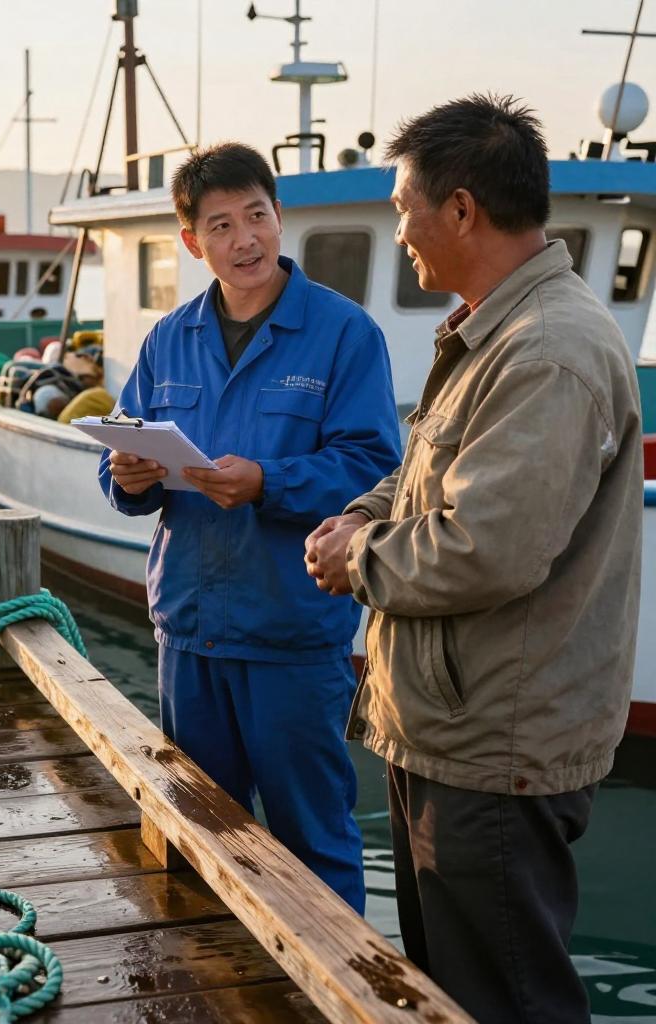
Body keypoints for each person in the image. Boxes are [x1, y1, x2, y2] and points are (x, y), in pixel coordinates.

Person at [305, 95, 643, 1023]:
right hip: (457, 731)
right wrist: (358, 516)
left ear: (460, 209)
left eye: (405, 206)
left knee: (506, 1001)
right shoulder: (493, 329)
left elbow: (483, 549)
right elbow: (426, 478)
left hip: (496, 750)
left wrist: (357, 561)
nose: (401, 230)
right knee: (452, 992)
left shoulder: (549, 354)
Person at [99, 142, 401, 912]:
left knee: (315, 842)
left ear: (279, 216)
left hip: (292, 637)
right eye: (222, 225)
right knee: (198, 834)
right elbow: (122, 464)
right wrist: (127, 476)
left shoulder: (345, 334)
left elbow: (373, 467)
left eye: (258, 216)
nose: (246, 240)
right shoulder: (168, 337)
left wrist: (268, 482)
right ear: (193, 242)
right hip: (188, 636)